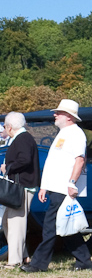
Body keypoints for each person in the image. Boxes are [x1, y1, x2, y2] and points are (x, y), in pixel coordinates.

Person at [22, 99, 92, 272]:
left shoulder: (76, 134)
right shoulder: (63, 133)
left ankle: (38, 264)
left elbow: (79, 160)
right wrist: (44, 186)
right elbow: (54, 163)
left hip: (64, 188)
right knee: (65, 226)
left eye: (58, 113)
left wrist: (72, 182)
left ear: (69, 117)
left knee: (50, 225)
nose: (55, 115)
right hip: (56, 188)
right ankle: (84, 262)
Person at [1, 112, 40, 269]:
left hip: (22, 187)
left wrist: (7, 167)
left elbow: (24, 160)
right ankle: (23, 256)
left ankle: (14, 261)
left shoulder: (23, 139)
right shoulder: (23, 138)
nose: (4, 129)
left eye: (4, 126)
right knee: (8, 222)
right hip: (20, 186)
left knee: (16, 224)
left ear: (10, 127)